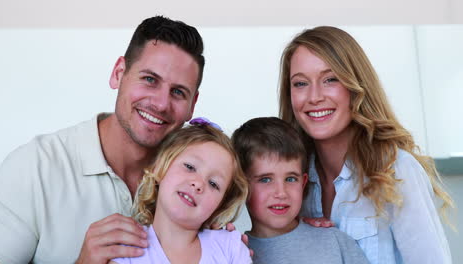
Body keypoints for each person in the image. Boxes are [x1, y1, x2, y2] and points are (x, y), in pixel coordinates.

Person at [0, 16, 205, 263]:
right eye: (150, 79)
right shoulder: (33, 167)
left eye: (178, 92)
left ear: (193, 105)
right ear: (118, 73)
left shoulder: (204, 180)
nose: (160, 103)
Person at [278, 26, 454, 263]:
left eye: (330, 79)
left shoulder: (396, 169)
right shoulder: (289, 180)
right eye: (300, 83)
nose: (314, 97)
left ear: (355, 86)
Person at [109, 118, 251, 264]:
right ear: (159, 167)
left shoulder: (229, 247)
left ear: (220, 205)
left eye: (213, 184)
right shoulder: (126, 250)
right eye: (190, 167)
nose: (198, 184)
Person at [231, 117, 368, 264]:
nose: (281, 193)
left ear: (303, 183)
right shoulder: (233, 254)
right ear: (241, 186)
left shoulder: (335, 242)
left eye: (290, 179)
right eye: (265, 179)